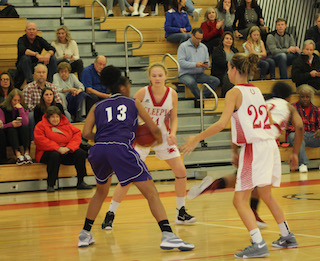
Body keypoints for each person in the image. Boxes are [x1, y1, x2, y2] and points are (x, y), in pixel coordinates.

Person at [181, 53, 298, 258]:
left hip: (255, 148)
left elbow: (220, 124)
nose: (228, 72)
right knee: (266, 194)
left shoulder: (234, 92)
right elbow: (269, 118)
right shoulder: (256, 90)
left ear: (234, 69)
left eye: (228, 69)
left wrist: (196, 138)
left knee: (239, 200)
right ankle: (287, 235)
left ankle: (258, 244)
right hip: (269, 144)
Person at [77, 65, 194, 251]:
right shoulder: (133, 102)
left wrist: (101, 138)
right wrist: (154, 140)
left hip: (98, 150)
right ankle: (168, 235)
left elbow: (85, 133)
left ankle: (84, 234)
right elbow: (154, 129)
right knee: (151, 193)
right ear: (123, 87)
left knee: (100, 192)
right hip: (121, 148)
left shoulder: (97, 106)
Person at [187, 81, 304, 229]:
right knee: (250, 192)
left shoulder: (261, 102)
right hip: (265, 143)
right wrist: (295, 153)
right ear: (288, 97)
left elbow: (237, 124)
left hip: (252, 142)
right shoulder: (288, 107)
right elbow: (299, 127)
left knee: (253, 183)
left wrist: (234, 150)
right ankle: (264, 235)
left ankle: (213, 186)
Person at [102, 63, 196, 230]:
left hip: (163, 137)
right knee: (128, 177)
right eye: (154, 76)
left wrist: (173, 133)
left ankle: (181, 211)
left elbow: (173, 117)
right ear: (149, 78)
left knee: (181, 171)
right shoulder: (143, 93)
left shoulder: (172, 94)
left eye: (160, 75)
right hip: (141, 138)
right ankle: (110, 214)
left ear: (166, 76)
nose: (157, 78)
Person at [34, 106, 92, 192]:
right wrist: (57, 148)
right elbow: (40, 141)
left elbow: (77, 134)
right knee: (54, 155)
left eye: (57, 117)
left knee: (80, 153)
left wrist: (69, 147)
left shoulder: (66, 124)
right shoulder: (41, 126)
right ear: (48, 117)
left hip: (66, 151)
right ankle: (51, 184)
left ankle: (81, 181)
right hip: (47, 153)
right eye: (52, 117)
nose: (55, 119)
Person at [178, 28, 220, 107]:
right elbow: (181, 62)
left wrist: (206, 64)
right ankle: (203, 101)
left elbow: (208, 61)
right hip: (185, 74)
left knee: (216, 81)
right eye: (197, 38)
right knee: (191, 82)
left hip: (200, 73)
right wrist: (195, 65)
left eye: (201, 39)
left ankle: (200, 99)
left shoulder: (203, 47)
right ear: (192, 35)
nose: (199, 41)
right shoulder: (183, 46)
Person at [23, 64, 63, 139]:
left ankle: (63, 136)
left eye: (43, 72)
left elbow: (59, 103)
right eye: (39, 72)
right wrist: (43, 109)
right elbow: (28, 106)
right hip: (37, 111)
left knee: (66, 114)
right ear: (34, 74)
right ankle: (34, 139)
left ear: (47, 74)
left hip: (52, 111)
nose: (41, 75)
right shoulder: (28, 88)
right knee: (30, 116)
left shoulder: (52, 87)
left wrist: (51, 111)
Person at [287, 84, 320, 173]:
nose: (305, 99)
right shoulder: (292, 108)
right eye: (302, 97)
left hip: (312, 136)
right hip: (297, 135)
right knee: (295, 136)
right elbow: (288, 125)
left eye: (307, 97)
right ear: (299, 97)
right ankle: (303, 164)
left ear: (311, 97)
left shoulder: (316, 109)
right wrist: (299, 131)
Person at [16, 22, 57, 88]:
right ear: (25, 31)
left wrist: (48, 54)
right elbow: (23, 50)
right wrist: (36, 54)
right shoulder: (21, 39)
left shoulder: (39, 39)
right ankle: (31, 83)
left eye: (33, 29)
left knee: (52, 58)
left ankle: (52, 82)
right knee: (25, 58)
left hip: (36, 65)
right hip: (23, 66)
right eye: (29, 29)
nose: (31, 32)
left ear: (36, 31)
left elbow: (52, 49)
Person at [0, 89, 32, 165]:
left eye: (19, 100)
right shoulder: (2, 108)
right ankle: (18, 155)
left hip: (21, 135)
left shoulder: (23, 107)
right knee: (11, 129)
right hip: (8, 136)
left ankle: (27, 154)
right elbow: (1, 126)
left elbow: (25, 122)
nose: (17, 103)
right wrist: (11, 124)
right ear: (10, 100)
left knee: (25, 128)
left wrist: (21, 109)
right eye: (14, 100)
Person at [211, 31, 238, 97]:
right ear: (222, 40)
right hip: (220, 73)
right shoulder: (217, 50)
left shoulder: (235, 50)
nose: (229, 40)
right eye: (227, 38)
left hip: (233, 72)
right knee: (228, 78)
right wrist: (232, 65)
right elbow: (221, 63)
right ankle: (224, 97)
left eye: (230, 39)